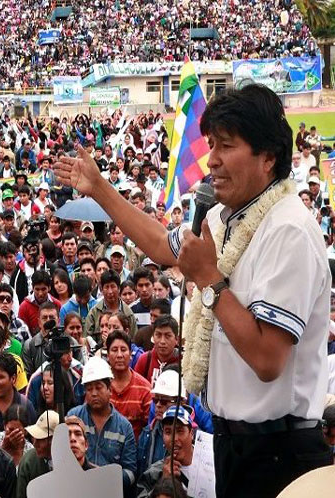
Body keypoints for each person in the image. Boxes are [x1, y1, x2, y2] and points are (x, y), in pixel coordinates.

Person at [55, 83, 332, 496]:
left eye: (226, 146)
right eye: (210, 145)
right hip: (236, 447)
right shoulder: (224, 218)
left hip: (278, 453)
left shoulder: (288, 229)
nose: (212, 160)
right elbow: (158, 243)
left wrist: (208, 279)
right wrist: (100, 188)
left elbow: (268, 358)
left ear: (268, 157)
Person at [67, 357, 137, 493]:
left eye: (98, 388)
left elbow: (131, 472)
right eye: (89, 389)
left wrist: (107, 478)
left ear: (109, 389)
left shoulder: (124, 427)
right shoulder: (73, 417)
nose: (93, 393)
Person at [136, 405, 196, 498]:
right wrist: (163, 482)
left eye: (180, 431)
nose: (174, 439)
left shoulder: (212, 463)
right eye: (168, 432)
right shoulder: (153, 473)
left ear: (191, 433)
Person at [106, 330, 153, 439]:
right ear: (107, 355)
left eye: (123, 350)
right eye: (114, 350)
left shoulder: (144, 389)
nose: (119, 355)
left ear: (131, 354)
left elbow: (150, 429)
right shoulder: (100, 385)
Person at [15, 410, 59, 498]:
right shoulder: (28, 461)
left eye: (41, 439)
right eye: (34, 438)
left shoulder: (73, 460)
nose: (35, 444)